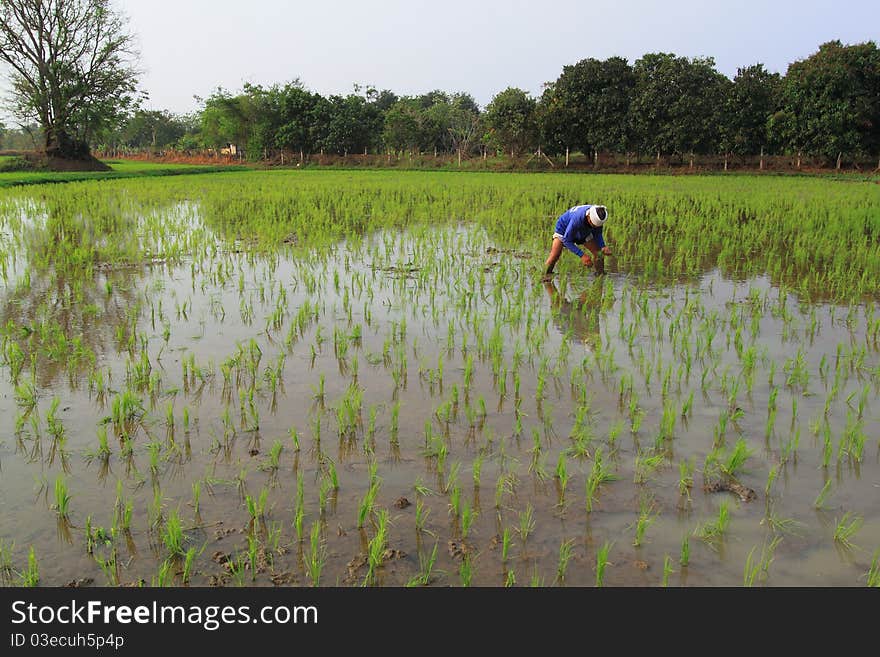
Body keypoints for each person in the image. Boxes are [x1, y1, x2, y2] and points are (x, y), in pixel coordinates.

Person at [542, 204, 612, 280]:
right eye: (593, 224)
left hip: (584, 231)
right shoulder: (577, 219)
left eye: (596, 226)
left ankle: (600, 276)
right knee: (554, 255)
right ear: (588, 216)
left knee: (599, 254)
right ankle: (544, 275)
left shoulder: (599, 216)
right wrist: (582, 255)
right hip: (563, 230)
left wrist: (603, 246)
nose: (594, 227)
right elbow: (566, 240)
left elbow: (597, 233)